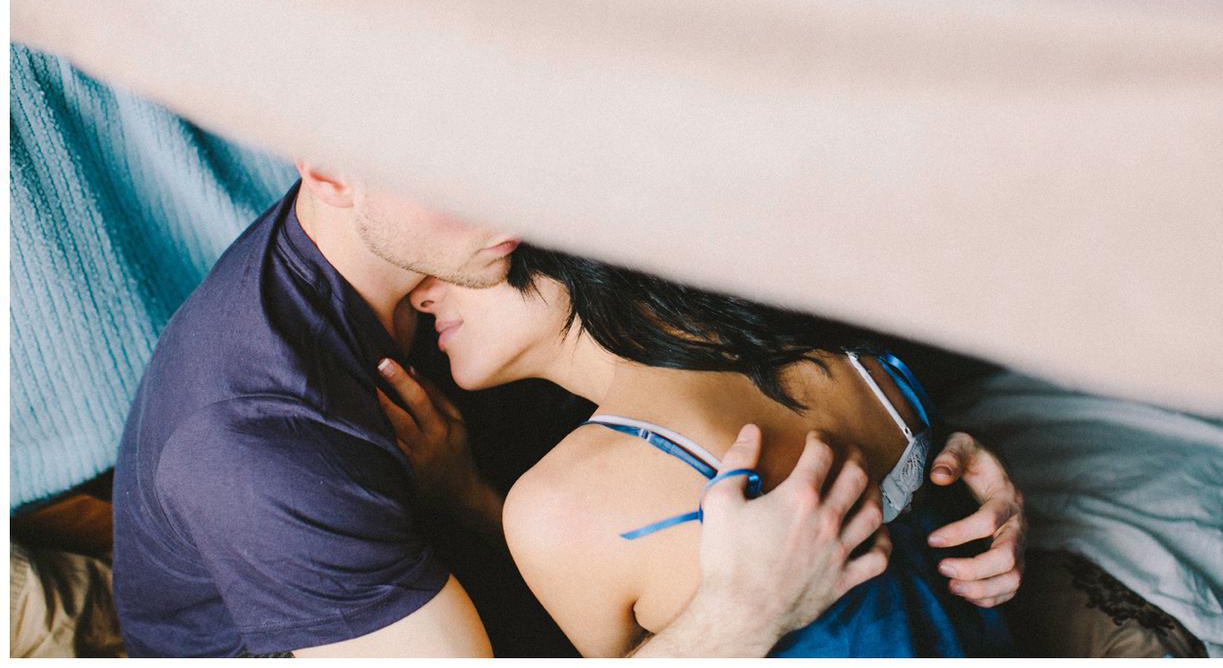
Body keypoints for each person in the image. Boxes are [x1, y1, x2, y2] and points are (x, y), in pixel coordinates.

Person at [110, 166, 1005, 656]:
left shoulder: (439, 245)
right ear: (331, 172)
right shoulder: (259, 442)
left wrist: (946, 479)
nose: (507, 193)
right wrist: (741, 613)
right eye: (453, 158)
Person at [384, 243, 1025, 657]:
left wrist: (738, 619)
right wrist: (472, 500)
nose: (420, 293)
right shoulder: (849, 355)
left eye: (444, 261)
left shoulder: (564, 505)